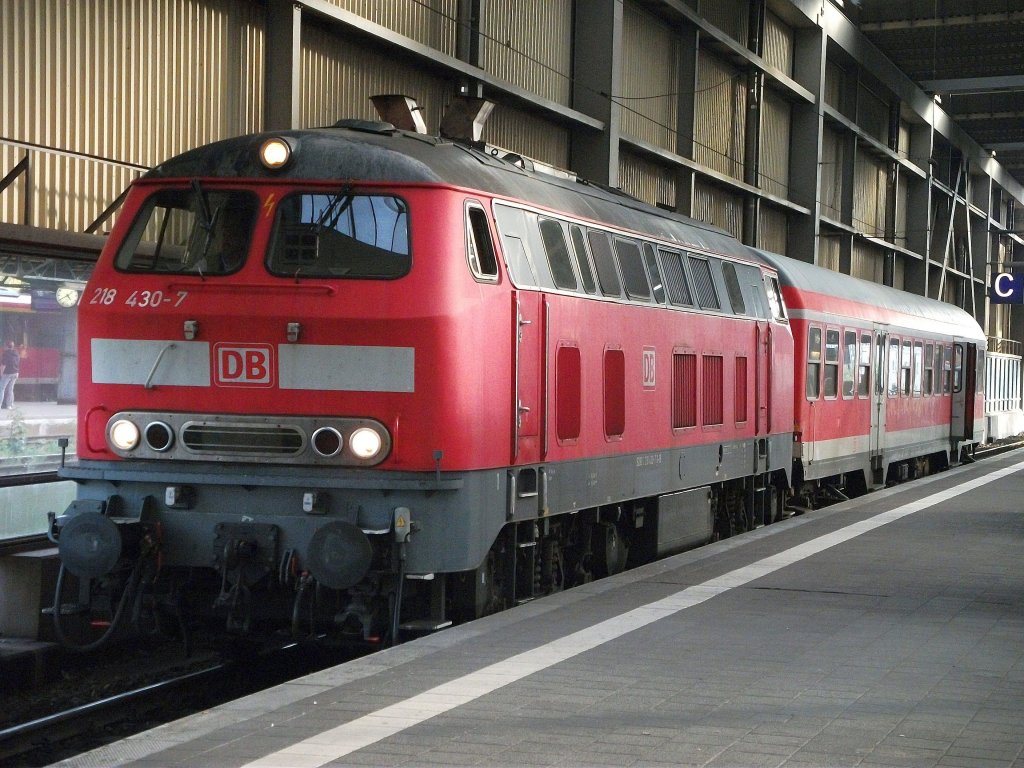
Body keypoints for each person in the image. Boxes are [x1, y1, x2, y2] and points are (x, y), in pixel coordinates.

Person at [1, 340, 20, 409]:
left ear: (6, 346)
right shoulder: (16, 353)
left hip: (7, 373)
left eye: (4, 345)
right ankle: (9, 405)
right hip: (15, 373)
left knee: (1, 389)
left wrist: (1, 374)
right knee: (10, 389)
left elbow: (3, 365)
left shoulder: (5, 353)